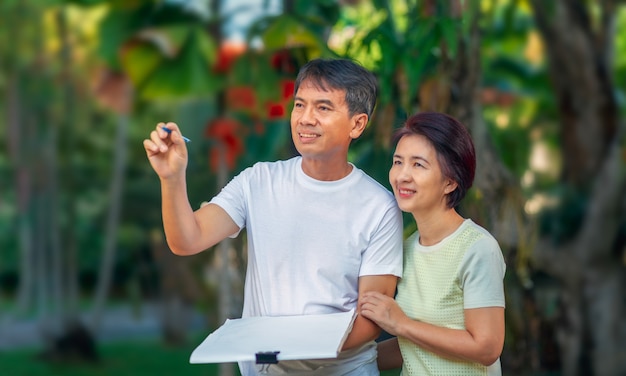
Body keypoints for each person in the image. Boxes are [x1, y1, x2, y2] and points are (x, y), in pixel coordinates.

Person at [143, 58, 403, 375]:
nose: (306, 119)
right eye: (299, 105)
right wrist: (171, 178)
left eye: (323, 108)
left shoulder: (379, 206)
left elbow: (371, 319)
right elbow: (187, 239)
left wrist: (292, 347)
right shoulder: (258, 181)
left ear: (357, 124)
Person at [360, 112, 506, 375]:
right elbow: (413, 344)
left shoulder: (477, 249)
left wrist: (402, 324)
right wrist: (340, 364)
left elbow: (487, 348)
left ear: (450, 182)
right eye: (398, 162)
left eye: (418, 165)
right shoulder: (404, 249)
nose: (402, 175)